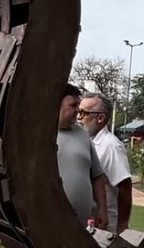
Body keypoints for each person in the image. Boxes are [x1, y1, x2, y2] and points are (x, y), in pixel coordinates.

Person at [79, 93, 133, 233]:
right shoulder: (85, 142)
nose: (79, 117)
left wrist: (122, 226)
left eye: (84, 113)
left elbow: (125, 186)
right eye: (78, 112)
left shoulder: (111, 146)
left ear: (100, 118)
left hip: (104, 228)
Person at [57, 84, 109, 228]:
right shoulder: (39, 137)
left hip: (82, 226)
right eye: (73, 105)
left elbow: (97, 176)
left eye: (78, 105)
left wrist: (102, 210)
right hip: (49, 224)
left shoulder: (82, 134)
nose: (77, 110)